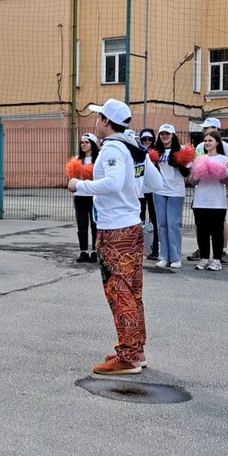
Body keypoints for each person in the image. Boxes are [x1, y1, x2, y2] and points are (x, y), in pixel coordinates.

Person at [68, 99, 162, 375]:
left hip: (115, 230)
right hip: (133, 226)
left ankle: (128, 356)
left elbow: (113, 183)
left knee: (118, 291)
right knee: (133, 291)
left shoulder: (112, 148)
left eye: (99, 118)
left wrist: (79, 185)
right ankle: (136, 348)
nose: (96, 122)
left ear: (107, 122)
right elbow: (155, 184)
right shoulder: (135, 148)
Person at [189, 118, 228, 263]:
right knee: (202, 231)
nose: (207, 143)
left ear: (217, 142)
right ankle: (204, 258)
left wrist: (218, 174)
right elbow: (192, 181)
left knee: (217, 231)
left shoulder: (224, 158)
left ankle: (217, 259)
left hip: (217, 202)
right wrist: (195, 175)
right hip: (201, 200)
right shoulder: (199, 158)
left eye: (210, 140)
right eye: (205, 140)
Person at [151, 124, 190, 269]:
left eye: (167, 134)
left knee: (173, 224)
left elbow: (187, 174)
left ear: (173, 135)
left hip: (175, 191)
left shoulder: (181, 151)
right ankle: (163, 256)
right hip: (160, 190)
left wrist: (179, 163)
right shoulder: (155, 152)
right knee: (162, 225)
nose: (164, 136)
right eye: (162, 134)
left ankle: (175, 257)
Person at [70, 133, 99, 263]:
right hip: (79, 196)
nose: (83, 145)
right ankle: (83, 251)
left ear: (92, 144)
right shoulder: (77, 160)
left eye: (86, 142)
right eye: (82, 142)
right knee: (82, 224)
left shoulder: (98, 160)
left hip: (93, 196)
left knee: (95, 225)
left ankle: (95, 251)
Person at [138, 128, 160, 261]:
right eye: (144, 139)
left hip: (152, 191)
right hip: (140, 191)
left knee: (154, 219)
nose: (147, 142)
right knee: (138, 219)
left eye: (150, 139)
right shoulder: (136, 152)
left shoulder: (157, 154)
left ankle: (155, 249)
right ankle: (140, 249)